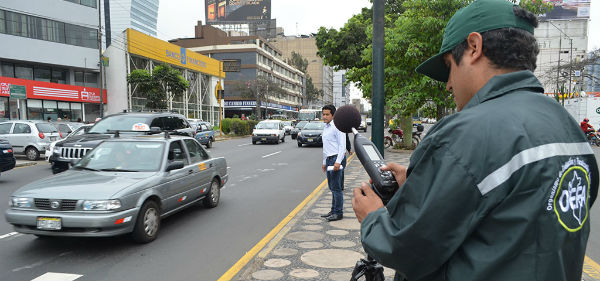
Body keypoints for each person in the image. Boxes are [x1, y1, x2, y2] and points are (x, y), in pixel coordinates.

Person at [351, 1, 598, 280]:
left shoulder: (465, 132)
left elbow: (406, 247)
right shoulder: (567, 127)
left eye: (449, 68)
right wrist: (428, 185)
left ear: (473, 46)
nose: (448, 84)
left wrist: (372, 218)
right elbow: (518, 216)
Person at [321, 104, 346, 222]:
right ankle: (333, 210)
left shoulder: (338, 127)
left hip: (336, 159)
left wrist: (337, 162)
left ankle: (338, 212)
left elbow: (342, 145)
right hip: (329, 159)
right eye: (323, 114)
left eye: (327, 114)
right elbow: (326, 147)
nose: (324, 116)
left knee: (336, 188)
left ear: (333, 115)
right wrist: (324, 162)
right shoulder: (326, 127)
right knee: (332, 187)